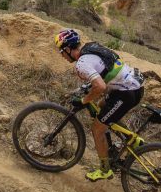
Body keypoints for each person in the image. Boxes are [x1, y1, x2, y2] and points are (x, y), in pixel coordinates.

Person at [55, 28, 144, 181]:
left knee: (97, 129)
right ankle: (132, 139)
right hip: (135, 86)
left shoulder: (81, 64)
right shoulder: (91, 47)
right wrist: (89, 90)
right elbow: (104, 70)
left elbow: (101, 87)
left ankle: (105, 170)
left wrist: (84, 100)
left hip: (126, 92)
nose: (61, 55)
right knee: (103, 106)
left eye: (61, 51)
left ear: (68, 49)